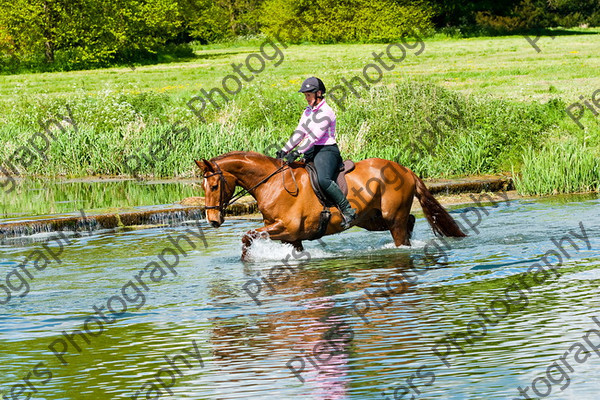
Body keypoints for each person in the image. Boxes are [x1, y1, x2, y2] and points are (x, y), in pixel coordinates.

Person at [276, 77, 357, 229]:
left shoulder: (327, 112)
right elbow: (299, 132)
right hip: (311, 150)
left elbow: (314, 136)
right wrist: (285, 149)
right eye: (305, 95)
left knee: (323, 180)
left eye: (308, 95)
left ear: (319, 93)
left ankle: (348, 210)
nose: (306, 98)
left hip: (326, 150)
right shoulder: (307, 111)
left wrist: (298, 151)